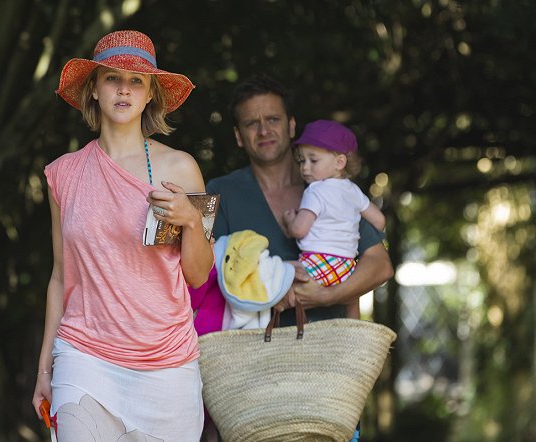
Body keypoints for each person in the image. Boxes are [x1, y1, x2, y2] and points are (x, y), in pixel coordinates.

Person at [31, 30, 213, 442]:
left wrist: (189, 220)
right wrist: (45, 370)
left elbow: (199, 274)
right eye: (112, 78)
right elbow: (61, 277)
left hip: (166, 365)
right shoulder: (63, 173)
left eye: (137, 81)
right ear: (94, 89)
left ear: (151, 95)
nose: (124, 89)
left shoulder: (181, 169)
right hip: (84, 356)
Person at [203, 74, 393, 442]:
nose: (263, 130)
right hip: (249, 381)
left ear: (291, 126)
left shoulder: (329, 182)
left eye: (272, 119)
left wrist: (325, 295)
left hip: (330, 373)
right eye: (251, 123)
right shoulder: (217, 192)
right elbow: (195, 273)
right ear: (238, 136)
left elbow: (379, 264)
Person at [282, 119, 386, 320]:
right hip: (347, 268)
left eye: (313, 160)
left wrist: (289, 221)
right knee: (351, 299)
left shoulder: (315, 190)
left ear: (339, 162)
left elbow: (299, 230)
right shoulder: (353, 191)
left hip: (316, 264)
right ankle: (351, 328)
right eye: (302, 160)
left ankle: (295, 327)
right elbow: (379, 221)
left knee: (279, 271)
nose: (305, 168)